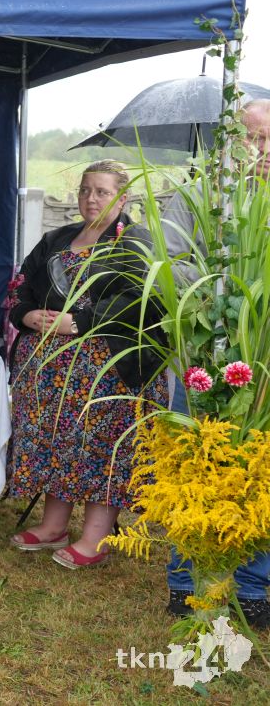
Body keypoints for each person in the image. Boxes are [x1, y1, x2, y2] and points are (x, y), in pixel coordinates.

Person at [6, 159, 167, 569]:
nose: (91, 198)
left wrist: (79, 322)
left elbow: (142, 301)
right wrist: (27, 315)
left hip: (109, 371)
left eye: (102, 191)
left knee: (101, 448)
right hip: (50, 371)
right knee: (56, 441)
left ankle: (96, 538)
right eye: (85, 190)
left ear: (122, 197)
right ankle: (54, 526)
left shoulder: (136, 242)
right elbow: (21, 288)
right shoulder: (56, 239)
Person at [161, 100, 270, 626]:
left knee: (261, 472)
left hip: (264, 361)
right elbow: (167, 261)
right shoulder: (195, 195)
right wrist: (217, 290)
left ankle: (253, 586)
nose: (263, 150)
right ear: (229, 142)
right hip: (202, 356)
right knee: (193, 462)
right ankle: (185, 581)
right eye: (253, 137)